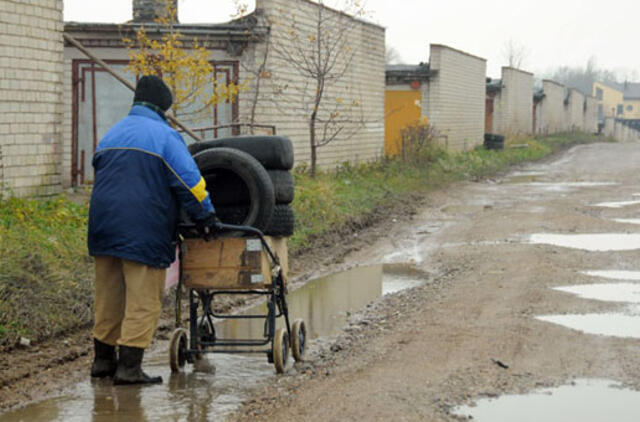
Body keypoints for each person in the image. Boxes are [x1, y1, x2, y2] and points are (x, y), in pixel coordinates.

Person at [87, 75, 219, 385]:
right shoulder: (164, 136)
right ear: (163, 107)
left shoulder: (112, 133)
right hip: (142, 228)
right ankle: (129, 368)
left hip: (103, 226)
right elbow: (190, 182)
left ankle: (103, 362)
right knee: (143, 298)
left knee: (109, 295)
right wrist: (207, 215)